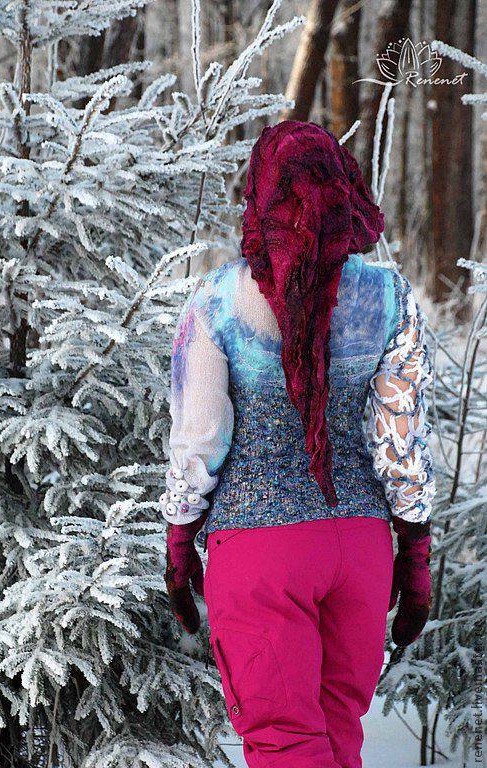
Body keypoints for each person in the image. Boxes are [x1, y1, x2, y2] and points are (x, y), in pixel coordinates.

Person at [159, 121, 435, 768]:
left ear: (260, 195)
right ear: (342, 190)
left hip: (259, 552)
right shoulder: (391, 298)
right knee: (339, 741)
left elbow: (199, 434)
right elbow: (400, 437)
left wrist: (179, 537)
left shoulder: (217, 302)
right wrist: (416, 549)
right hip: (361, 549)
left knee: (285, 747)